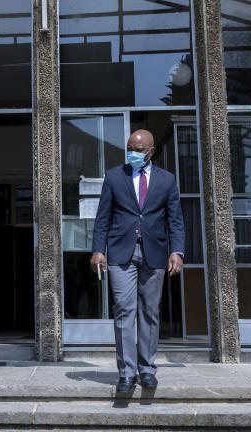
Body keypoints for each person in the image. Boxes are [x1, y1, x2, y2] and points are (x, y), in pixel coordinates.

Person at [90, 129, 184, 393]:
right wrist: (98, 249)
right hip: (121, 254)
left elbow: (175, 220)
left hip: (155, 254)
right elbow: (102, 218)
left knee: (150, 313)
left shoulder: (166, 180)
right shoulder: (113, 176)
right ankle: (127, 373)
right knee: (124, 310)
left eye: (138, 150)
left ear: (151, 151)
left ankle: (147, 369)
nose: (133, 153)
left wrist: (177, 251)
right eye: (130, 148)